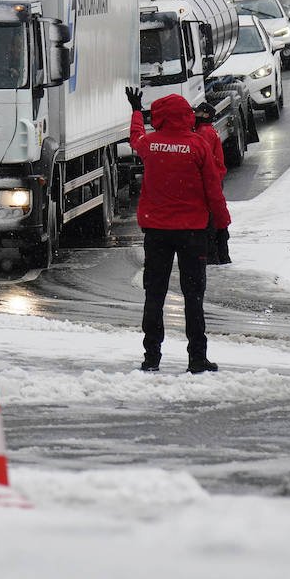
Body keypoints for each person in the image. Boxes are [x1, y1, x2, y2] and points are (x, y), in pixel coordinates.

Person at [125, 87, 231, 373]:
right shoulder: (198, 145)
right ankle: (197, 357)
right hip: (192, 232)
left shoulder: (150, 144)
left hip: (156, 231)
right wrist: (222, 225)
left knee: (154, 295)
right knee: (193, 297)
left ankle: (151, 357)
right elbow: (213, 190)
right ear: (187, 115)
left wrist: (136, 112)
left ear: (159, 116)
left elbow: (135, 138)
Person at [193, 102, 232, 265]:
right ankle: (221, 255)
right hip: (215, 179)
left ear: (206, 115)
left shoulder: (203, 133)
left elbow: (203, 159)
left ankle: (214, 255)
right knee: (217, 216)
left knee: (210, 219)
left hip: (210, 180)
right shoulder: (209, 131)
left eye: (198, 113)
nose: (195, 115)